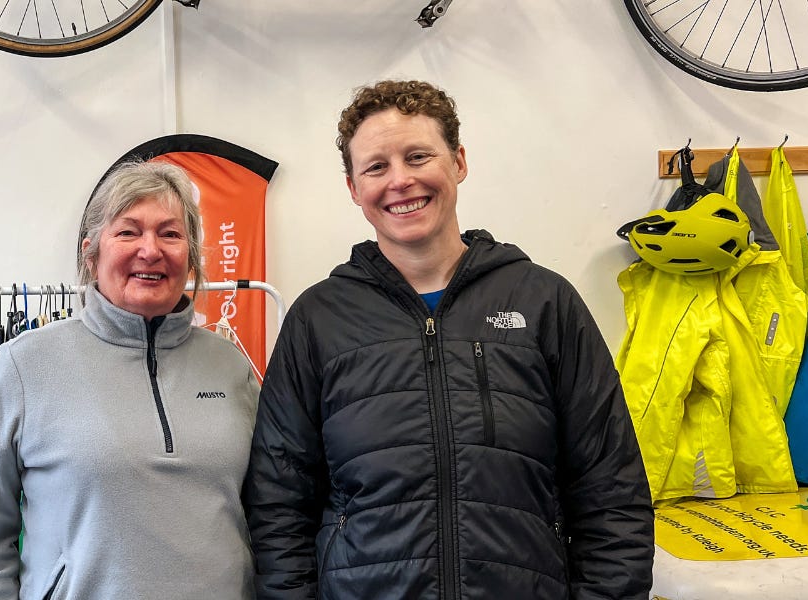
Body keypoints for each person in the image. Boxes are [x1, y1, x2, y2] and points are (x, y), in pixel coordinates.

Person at [243, 80, 654, 599]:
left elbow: (611, 490)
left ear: (458, 162)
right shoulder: (318, 320)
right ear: (353, 188)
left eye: (418, 156)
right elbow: (278, 504)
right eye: (376, 167)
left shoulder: (544, 303)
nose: (401, 180)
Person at [0, 160, 260, 599]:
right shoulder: (25, 365)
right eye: (128, 232)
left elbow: (269, 517)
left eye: (170, 234)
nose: (150, 250)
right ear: (91, 255)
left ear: (190, 259)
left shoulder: (232, 368)